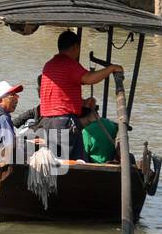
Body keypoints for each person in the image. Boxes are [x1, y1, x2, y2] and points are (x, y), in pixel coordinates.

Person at [38, 31, 123, 160]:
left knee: (59, 161)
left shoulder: (49, 65)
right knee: (69, 164)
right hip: (63, 124)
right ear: (75, 47)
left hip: (47, 122)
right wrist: (111, 69)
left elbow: (58, 96)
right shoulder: (69, 64)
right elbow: (89, 78)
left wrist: (82, 103)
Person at [80, 98, 119, 164]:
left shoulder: (87, 131)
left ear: (84, 117)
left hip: (95, 165)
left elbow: (83, 154)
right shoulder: (110, 124)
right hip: (110, 160)